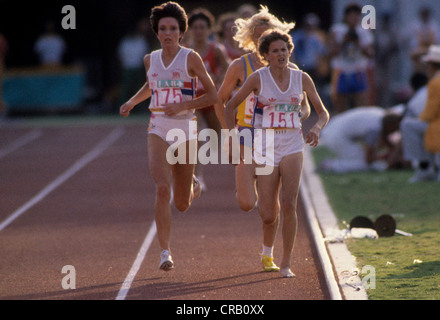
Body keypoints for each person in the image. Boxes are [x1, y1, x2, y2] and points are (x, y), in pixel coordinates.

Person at [120, 1, 218, 271]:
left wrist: (184, 105)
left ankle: (193, 184)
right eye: (163, 28)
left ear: (181, 32)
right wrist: (131, 102)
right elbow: (151, 85)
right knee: (163, 189)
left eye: (173, 28)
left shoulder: (191, 58)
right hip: (158, 126)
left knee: (183, 203)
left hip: (185, 129)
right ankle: (165, 252)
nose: (167, 33)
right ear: (156, 31)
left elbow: (213, 95)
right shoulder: (149, 59)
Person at [225, 30, 329, 278]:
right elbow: (230, 107)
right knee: (269, 212)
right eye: (275, 51)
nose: (281, 54)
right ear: (266, 56)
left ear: (290, 51)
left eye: (284, 50)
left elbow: (322, 112)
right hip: (266, 142)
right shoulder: (258, 78)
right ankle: (266, 252)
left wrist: (315, 128)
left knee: (290, 203)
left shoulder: (302, 78)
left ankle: (286, 263)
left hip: (293, 142)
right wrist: (233, 139)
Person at [215, 5, 311, 214]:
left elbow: (304, 107)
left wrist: (297, 116)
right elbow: (220, 100)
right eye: (257, 36)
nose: (262, 40)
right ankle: (245, 185)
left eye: (266, 35)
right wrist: (228, 134)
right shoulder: (240, 66)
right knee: (247, 203)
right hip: (247, 133)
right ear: (251, 39)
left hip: (277, 135)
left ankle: (268, 242)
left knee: (271, 205)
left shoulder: (291, 70)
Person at [186, 8, 230, 190]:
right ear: (189, 30)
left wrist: (218, 81)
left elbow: (229, 69)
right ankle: (197, 176)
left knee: (218, 136)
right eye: (195, 27)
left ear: (209, 30)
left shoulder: (216, 50)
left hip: (212, 100)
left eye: (202, 27)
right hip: (193, 101)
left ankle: (242, 171)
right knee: (194, 138)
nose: (198, 31)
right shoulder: (185, 52)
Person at [320, 107, 403, 173]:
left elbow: (386, 140)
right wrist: (383, 158)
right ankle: (330, 166)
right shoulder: (375, 128)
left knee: (360, 158)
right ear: (391, 125)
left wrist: (392, 153)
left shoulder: (379, 115)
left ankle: (331, 164)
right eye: (395, 128)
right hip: (336, 136)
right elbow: (368, 159)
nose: (394, 131)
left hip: (333, 128)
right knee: (362, 164)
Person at [401, 45, 440, 183]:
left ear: (431, 66)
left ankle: (424, 167)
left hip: (437, 125)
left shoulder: (435, 83)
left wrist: (420, 118)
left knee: (408, 125)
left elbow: (429, 113)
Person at [329, 3, 374, 113]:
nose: (354, 18)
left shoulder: (364, 31)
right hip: (342, 71)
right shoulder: (337, 30)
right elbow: (331, 53)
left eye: (356, 16)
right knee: (341, 107)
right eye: (351, 15)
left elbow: (370, 54)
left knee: (361, 106)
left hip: (358, 70)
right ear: (346, 17)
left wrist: (358, 43)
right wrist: (344, 42)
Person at [118, 18, 151, 108]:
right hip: (128, 68)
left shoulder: (141, 40)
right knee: (126, 88)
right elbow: (121, 56)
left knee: (140, 88)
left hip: (138, 67)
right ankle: (122, 106)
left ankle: (139, 107)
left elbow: (145, 54)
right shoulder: (125, 42)